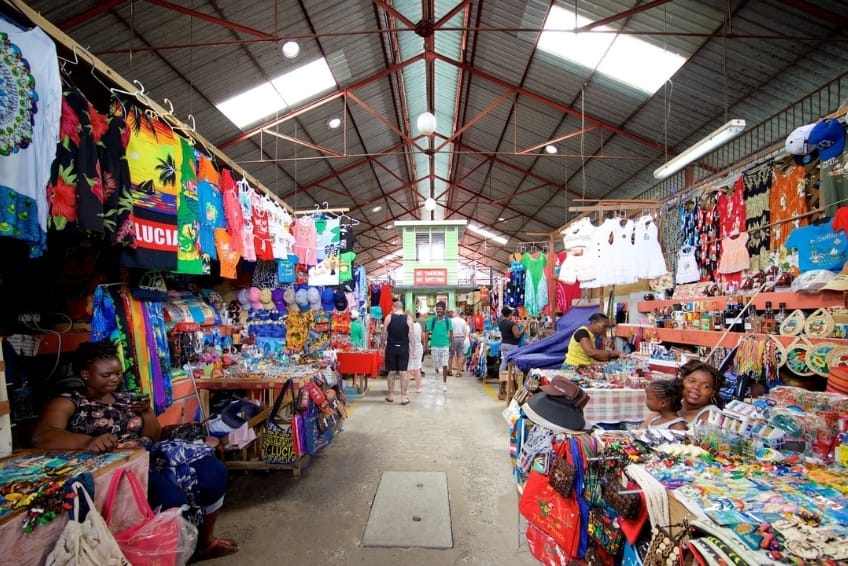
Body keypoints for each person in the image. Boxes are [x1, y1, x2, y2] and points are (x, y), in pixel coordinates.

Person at [31, 341, 238, 561]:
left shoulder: (127, 399)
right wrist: (87, 442)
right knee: (171, 501)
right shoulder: (69, 402)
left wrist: (147, 413)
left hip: (148, 456)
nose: (115, 379)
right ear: (85, 374)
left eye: (118, 373)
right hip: (113, 467)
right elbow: (42, 435)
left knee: (214, 472)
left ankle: (204, 543)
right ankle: (166, 558)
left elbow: (154, 436)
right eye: (106, 375)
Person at [383, 300, 413, 404]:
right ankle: (404, 397)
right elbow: (411, 335)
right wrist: (413, 349)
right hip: (403, 347)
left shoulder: (389, 317)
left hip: (391, 347)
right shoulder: (408, 318)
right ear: (402, 308)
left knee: (391, 372)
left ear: (393, 307)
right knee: (403, 373)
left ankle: (390, 395)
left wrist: (382, 346)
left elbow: (384, 334)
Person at [424, 301, 453, 392]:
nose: (438, 311)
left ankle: (444, 384)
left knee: (445, 365)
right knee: (436, 364)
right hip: (434, 345)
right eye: (437, 309)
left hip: (445, 345)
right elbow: (427, 332)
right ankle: (437, 372)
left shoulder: (448, 321)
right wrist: (426, 345)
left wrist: (451, 344)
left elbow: (451, 332)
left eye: (440, 309)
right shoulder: (431, 320)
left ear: (444, 310)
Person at [497, 306, 525, 400]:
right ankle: (517, 387)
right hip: (512, 346)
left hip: (503, 344)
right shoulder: (511, 324)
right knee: (515, 365)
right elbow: (517, 335)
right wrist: (524, 328)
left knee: (504, 363)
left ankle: (501, 387)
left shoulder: (501, 323)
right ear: (510, 314)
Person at [408, 311, 424, 393]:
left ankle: (406, 389)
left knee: (408, 369)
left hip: (410, 348)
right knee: (417, 368)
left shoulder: (408, 326)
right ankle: (418, 388)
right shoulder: (418, 325)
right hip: (419, 347)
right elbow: (422, 336)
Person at [448, 310, 468, 377]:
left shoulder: (451, 320)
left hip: (453, 338)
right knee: (460, 356)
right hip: (461, 338)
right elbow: (465, 331)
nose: (452, 313)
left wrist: (449, 339)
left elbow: (449, 331)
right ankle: (459, 372)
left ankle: (450, 371)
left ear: (456, 313)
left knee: (451, 355)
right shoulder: (463, 321)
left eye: (453, 312)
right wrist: (463, 339)